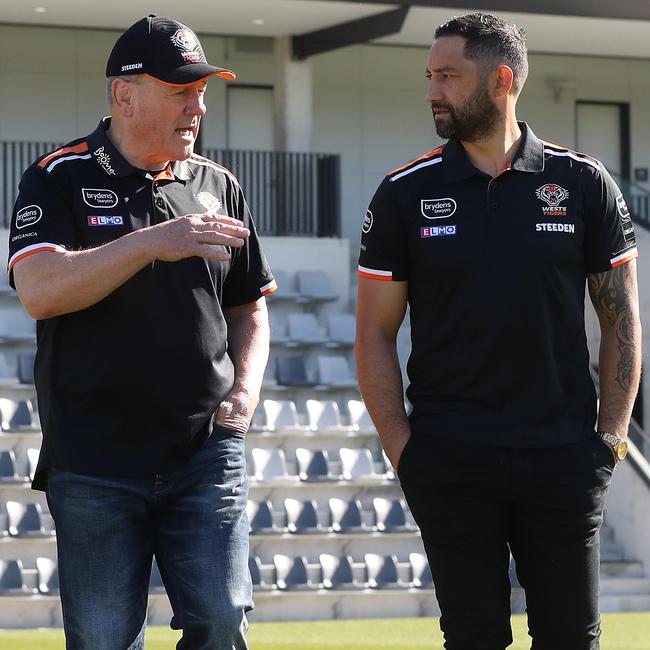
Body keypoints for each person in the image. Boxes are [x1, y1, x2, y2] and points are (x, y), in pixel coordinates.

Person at [356, 12, 641, 650]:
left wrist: (613, 440)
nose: (433, 91)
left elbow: (621, 319)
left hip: (563, 456)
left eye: (449, 76)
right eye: (430, 76)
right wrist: (406, 451)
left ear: (501, 80)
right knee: (473, 637)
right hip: (450, 458)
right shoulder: (404, 193)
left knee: (571, 637)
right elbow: (374, 332)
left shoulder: (584, 183)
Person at [7, 15, 276, 650]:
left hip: (206, 450)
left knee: (221, 619)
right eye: (181, 90)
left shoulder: (219, 186)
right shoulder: (56, 176)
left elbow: (249, 307)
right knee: (103, 639)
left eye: (202, 91)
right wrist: (155, 243)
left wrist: (247, 390)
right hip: (95, 459)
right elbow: (40, 291)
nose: (198, 106)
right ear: (125, 95)